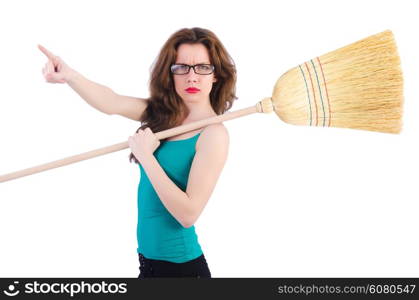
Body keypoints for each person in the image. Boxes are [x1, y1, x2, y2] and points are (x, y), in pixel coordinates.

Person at [39, 27, 237, 278]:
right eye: (181, 68)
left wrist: (146, 157)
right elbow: (111, 102)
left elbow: (188, 213)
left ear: (215, 75)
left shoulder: (213, 134)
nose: (192, 77)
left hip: (181, 270)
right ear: (170, 74)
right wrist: (70, 76)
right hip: (148, 262)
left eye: (202, 67)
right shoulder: (164, 116)